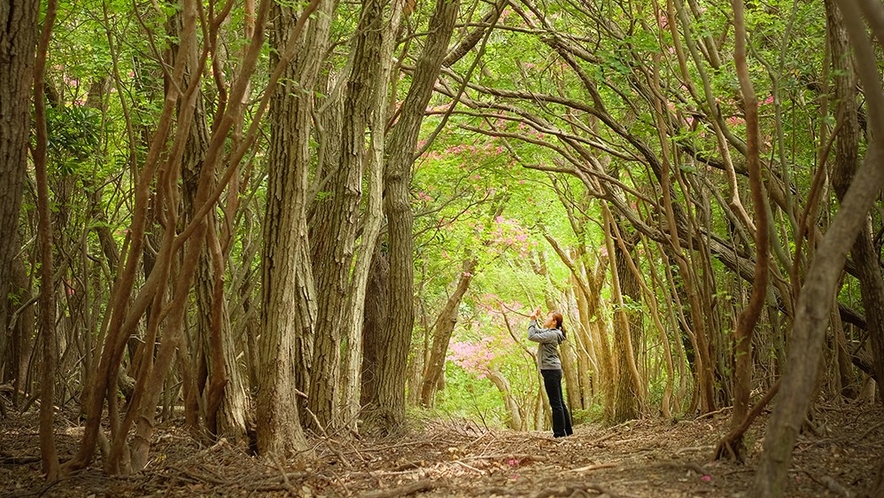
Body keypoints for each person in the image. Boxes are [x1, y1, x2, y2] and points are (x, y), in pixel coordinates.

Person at [528, 307, 573, 438]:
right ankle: (567, 431)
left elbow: (532, 336)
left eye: (548, 317)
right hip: (553, 370)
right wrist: (534, 319)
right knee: (559, 401)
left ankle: (559, 433)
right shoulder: (552, 332)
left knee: (555, 403)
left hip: (550, 370)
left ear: (554, 322)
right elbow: (537, 331)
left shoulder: (552, 334)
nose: (546, 319)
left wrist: (531, 321)